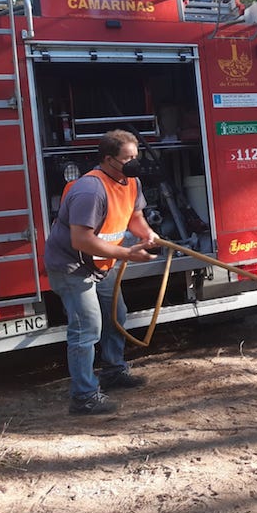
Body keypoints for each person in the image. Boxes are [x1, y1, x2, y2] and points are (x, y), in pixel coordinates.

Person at [44, 129, 159, 415]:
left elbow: (135, 216)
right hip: (72, 266)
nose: (135, 163)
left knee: (115, 315)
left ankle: (113, 372)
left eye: (137, 156)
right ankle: (83, 397)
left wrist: (148, 235)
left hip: (100, 264)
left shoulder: (131, 181)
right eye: (127, 158)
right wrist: (127, 253)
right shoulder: (90, 190)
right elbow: (80, 239)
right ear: (108, 159)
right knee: (87, 329)